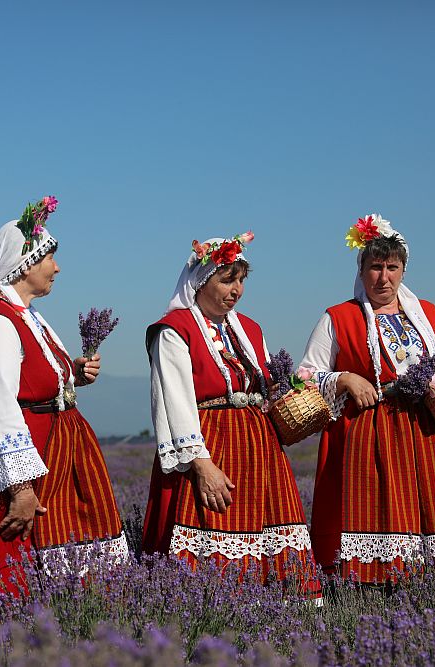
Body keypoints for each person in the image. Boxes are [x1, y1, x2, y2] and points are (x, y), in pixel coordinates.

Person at [0, 197, 127, 610]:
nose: (57, 268)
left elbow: (30, 378)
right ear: (27, 263)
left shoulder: (26, 316)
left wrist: (71, 373)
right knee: (2, 559)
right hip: (20, 464)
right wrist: (20, 489)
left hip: (53, 454)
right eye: (51, 259)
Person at [142, 232, 321, 599]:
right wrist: (200, 464)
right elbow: (173, 400)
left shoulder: (250, 330)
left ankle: (280, 612)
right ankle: (211, 611)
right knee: (211, 525)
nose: (236, 289)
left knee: (269, 524)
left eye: (241, 280)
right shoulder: (175, 331)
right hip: (208, 445)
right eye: (227, 280)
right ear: (201, 280)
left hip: (258, 447)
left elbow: (267, 384)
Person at [301, 215, 435, 582]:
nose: (384, 277)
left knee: (430, 505)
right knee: (371, 505)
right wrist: (344, 378)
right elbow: (307, 376)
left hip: (425, 432)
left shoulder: (428, 315)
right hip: (365, 432)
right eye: (375, 267)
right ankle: (369, 585)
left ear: (404, 270)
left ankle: (432, 584)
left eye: (392, 267)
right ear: (361, 271)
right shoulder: (338, 318)